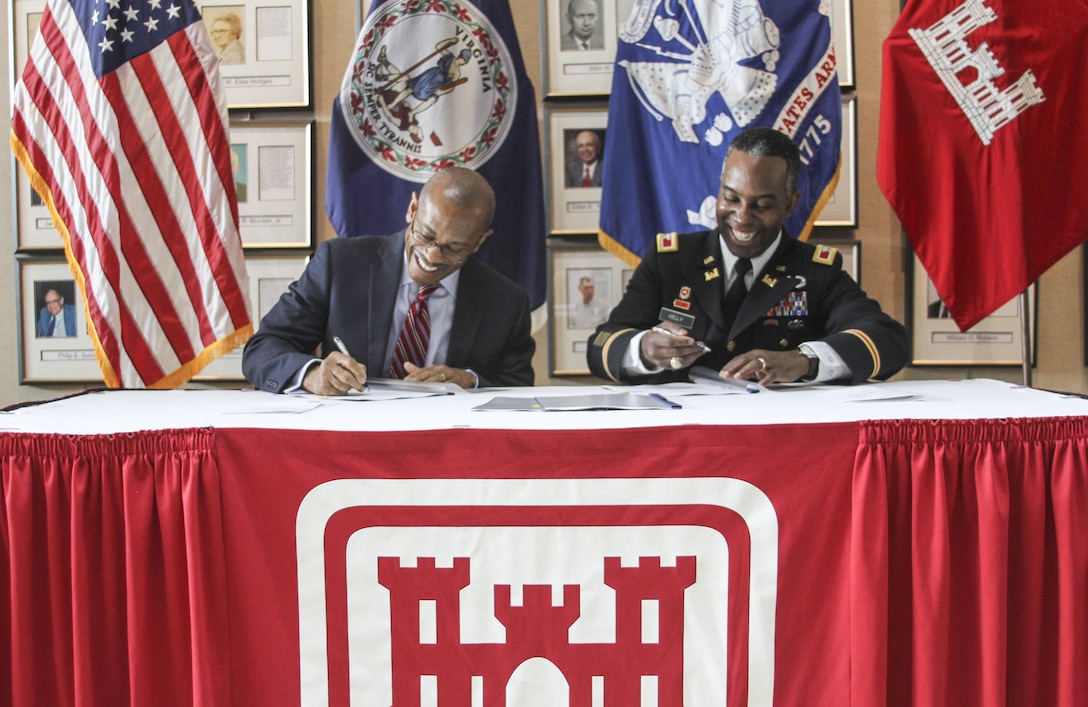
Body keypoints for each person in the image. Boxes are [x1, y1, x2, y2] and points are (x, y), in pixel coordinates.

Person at [587, 127, 909, 385]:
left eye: (762, 205)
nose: (742, 216)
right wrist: (642, 349)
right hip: (684, 438)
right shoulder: (671, 260)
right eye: (731, 198)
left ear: (790, 204)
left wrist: (803, 361)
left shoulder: (814, 272)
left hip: (777, 439)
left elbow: (888, 340)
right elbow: (601, 344)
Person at [243, 167, 535, 394]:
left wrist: (468, 380)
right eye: (426, 235)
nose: (432, 255)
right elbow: (263, 348)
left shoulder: (506, 302)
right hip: (348, 438)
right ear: (412, 209)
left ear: (479, 242)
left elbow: (518, 386)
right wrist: (312, 375)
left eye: (453, 247)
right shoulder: (341, 263)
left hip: (449, 450)